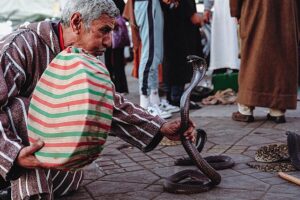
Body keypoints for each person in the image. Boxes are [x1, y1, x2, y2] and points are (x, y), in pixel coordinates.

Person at [0, 0, 196, 199]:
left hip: (54, 168)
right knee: (23, 110)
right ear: (76, 22)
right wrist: (13, 155)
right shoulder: (21, 45)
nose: (109, 41)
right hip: (6, 155)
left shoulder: (85, 57)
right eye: (103, 30)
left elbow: (109, 104)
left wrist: (161, 127)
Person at [230, 0, 300, 123]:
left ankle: (245, 109)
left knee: (252, 57)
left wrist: (236, 12)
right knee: (281, 58)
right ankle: (277, 110)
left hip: (255, 10)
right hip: (287, 12)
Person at [123, 0, 178, 119]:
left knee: (155, 55)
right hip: (146, 3)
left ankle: (154, 101)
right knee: (150, 55)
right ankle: (146, 105)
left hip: (150, 3)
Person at [161, 0, 203, 109]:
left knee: (173, 56)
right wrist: (191, 13)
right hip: (179, 19)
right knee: (179, 57)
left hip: (174, 17)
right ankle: (177, 97)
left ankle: (172, 96)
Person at [203, 0, 240, 73]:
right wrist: (207, 8)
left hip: (236, 11)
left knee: (235, 47)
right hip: (221, 12)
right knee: (220, 47)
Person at [104, 0, 129, 94]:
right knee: (115, 62)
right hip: (113, 36)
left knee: (114, 62)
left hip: (114, 36)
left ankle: (117, 88)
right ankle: (119, 88)